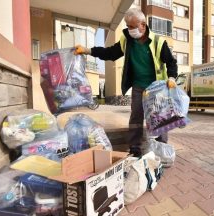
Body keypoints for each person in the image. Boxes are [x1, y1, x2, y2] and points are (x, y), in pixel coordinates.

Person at [74, 8, 178, 157]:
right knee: (136, 116)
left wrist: (172, 78)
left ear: (143, 25)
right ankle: (135, 148)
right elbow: (110, 53)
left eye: (132, 26)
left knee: (158, 117)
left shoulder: (158, 42)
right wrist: (87, 50)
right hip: (138, 86)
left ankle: (161, 149)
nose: (129, 29)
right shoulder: (126, 39)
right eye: (128, 26)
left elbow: (171, 62)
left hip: (156, 87)